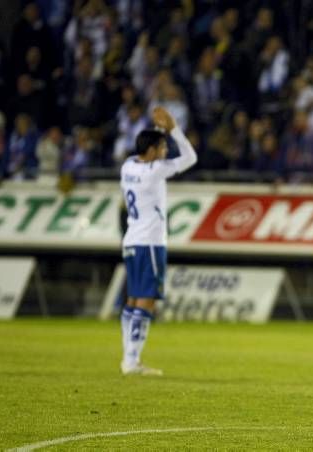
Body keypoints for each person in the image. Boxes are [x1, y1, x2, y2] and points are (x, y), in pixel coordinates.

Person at [119, 107, 198, 376]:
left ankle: (128, 359)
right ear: (152, 151)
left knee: (132, 299)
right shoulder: (154, 170)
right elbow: (190, 157)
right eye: (163, 148)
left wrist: (160, 133)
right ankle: (132, 361)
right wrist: (173, 128)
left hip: (131, 240)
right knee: (147, 300)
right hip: (150, 243)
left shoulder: (128, 166)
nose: (166, 152)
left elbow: (142, 155)